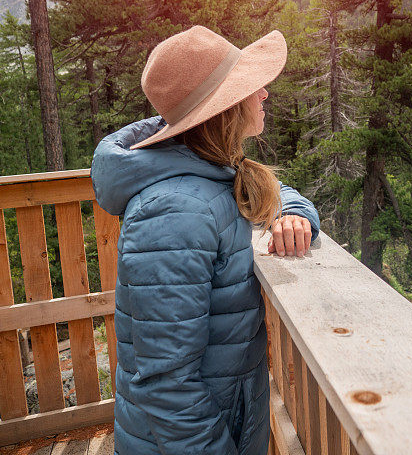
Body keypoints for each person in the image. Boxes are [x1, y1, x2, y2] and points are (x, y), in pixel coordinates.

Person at [90, 25, 320, 455]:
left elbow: (276, 191)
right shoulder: (174, 212)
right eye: (252, 86)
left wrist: (293, 214)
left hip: (220, 422)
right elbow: (166, 385)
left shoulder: (212, 171)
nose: (264, 94)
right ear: (226, 108)